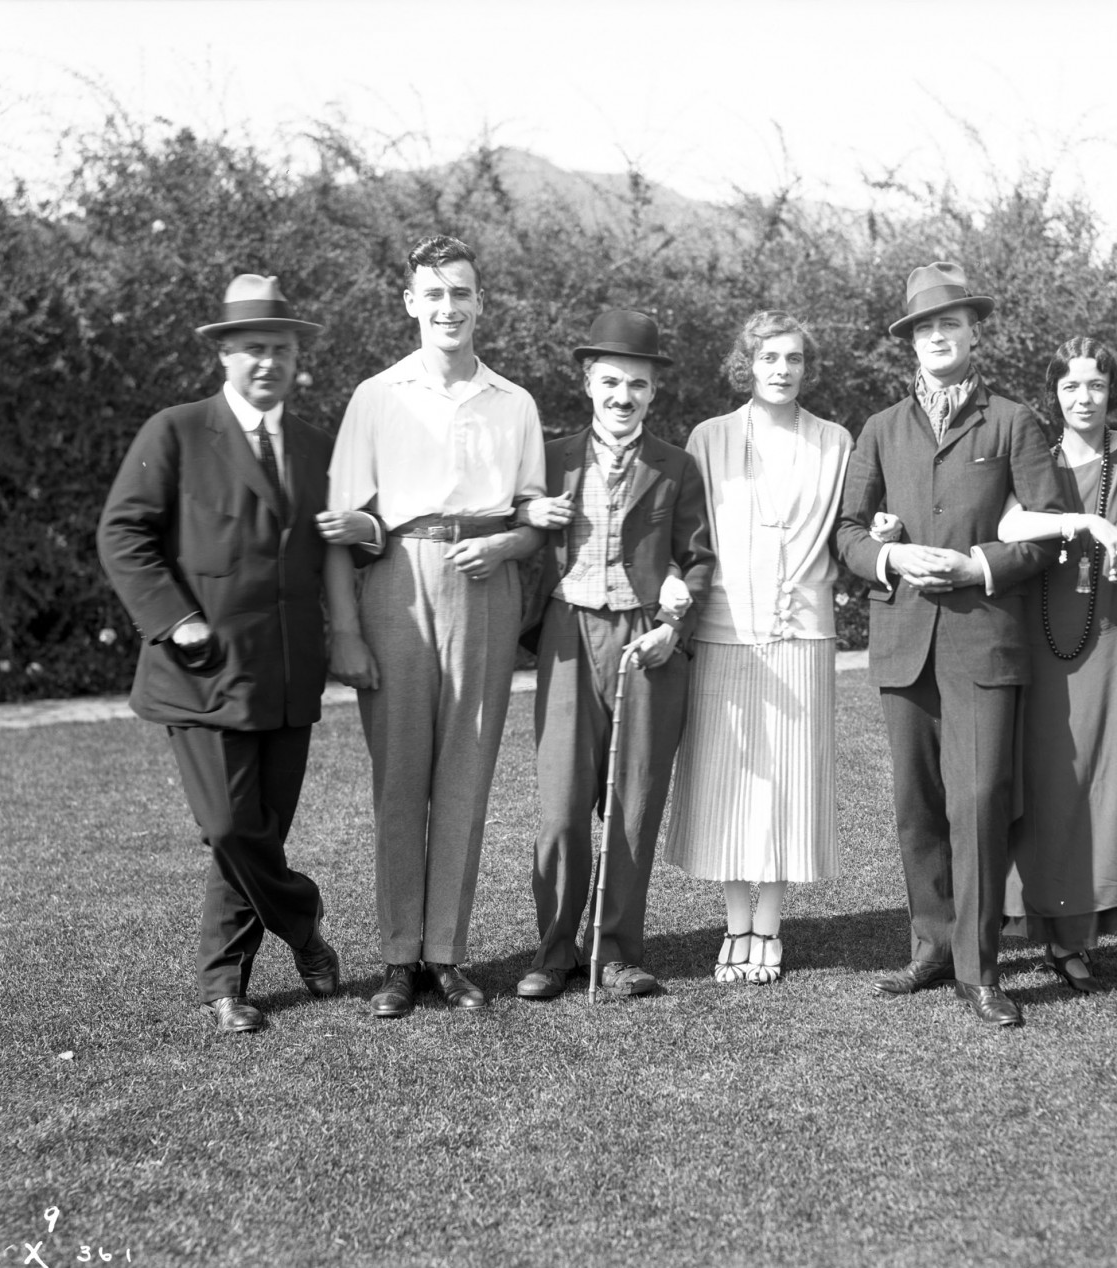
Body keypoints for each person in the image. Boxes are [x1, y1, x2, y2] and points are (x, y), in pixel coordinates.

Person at [97, 274, 339, 1034]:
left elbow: (330, 545)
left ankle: (225, 986)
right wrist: (175, 620)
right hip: (202, 674)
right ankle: (303, 925)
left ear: (296, 358)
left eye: (280, 349)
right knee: (233, 828)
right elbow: (123, 534)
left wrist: (365, 536)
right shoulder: (175, 431)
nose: (267, 362)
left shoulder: (313, 444)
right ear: (224, 356)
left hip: (290, 675)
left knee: (255, 833)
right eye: (252, 349)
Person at [835, 262, 1066, 1028]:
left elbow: (1050, 531)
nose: (938, 336)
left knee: (979, 801)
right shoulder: (880, 428)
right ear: (911, 343)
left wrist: (978, 565)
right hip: (904, 641)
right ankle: (930, 948)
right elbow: (846, 533)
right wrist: (891, 558)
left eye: (950, 324)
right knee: (917, 807)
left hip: (983, 641)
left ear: (974, 333)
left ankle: (980, 968)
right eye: (924, 328)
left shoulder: (1013, 421)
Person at [323, 235, 546, 1019]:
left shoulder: (513, 401)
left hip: (486, 584)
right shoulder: (376, 395)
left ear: (482, 303)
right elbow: (341, 527)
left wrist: (508, 541)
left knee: (465, 777)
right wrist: (345, 631)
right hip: (398, 584)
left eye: (463, 294)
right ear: (411, 302)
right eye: (435, 294)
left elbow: (534, 519)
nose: (449, 308)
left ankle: (446, 955)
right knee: (400, 779)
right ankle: (397, 958)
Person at [513, 310, 714, 1001]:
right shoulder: (552, 458)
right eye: (610, 382)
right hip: (568, 635)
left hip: (646, 644)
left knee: (632, 805)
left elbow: (698, 560)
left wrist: (673, 623)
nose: (622, 396)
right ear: (587, 382)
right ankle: (554, 950)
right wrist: (526, 520)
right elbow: (519, 539)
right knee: (563, 806)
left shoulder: (676, 465)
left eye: (637, 383)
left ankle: (619, 951)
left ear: (654, 391)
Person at [664, 311, 852, 985]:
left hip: (803, 633)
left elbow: (849, 530)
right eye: (769, 357)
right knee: (731, 783)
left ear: (807, 367)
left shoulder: (835, 442)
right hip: (723, 630)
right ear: (746, 363)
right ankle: (734, 925)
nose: (781, 369)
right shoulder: (708, 438)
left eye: (793, 359)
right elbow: (689, 533)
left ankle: (767, 930)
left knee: (787, 789)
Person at [994, 337, 1117, 991]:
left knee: (1107, 784)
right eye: (1071, 387)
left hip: (1114, 645)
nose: (1084, 398)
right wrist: (1079, 523)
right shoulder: (1035, 459)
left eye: (1095, 386)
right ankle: (1047, 927)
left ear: (1111, 391)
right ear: (1055, 394)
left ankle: (1088, 927)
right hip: (1044, 653)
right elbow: (1008, 525)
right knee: (1049, 786)